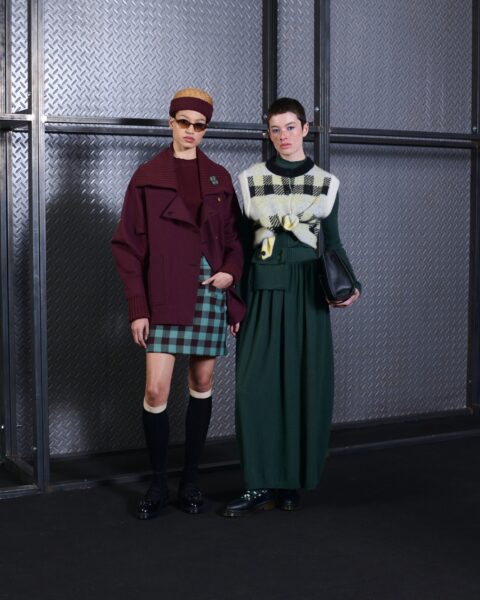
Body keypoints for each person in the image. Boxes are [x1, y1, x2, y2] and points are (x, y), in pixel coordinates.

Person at [223, 97, 360, 517]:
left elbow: (332, 241)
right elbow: (239, 246)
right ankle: (257, 482)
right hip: (262, 289)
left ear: (305, 128)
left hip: (307, 292)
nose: (283, 136)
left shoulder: (326, 183)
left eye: (290, 127)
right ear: (268, 133)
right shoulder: (249, 180)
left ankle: (290, 481)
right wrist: (237, 302)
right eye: (275, 129)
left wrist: (350, 283)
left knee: (303, 383)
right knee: (254, 388)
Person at [112, 88, 244, 519]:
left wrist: (231, 275)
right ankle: (158, 484)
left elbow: (234, 241)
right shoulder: (147, 176)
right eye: (183, 122)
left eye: (199, 125)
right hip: (165, 291)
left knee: (202, 383)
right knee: (155, 389)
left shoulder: (220, 178)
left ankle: (190, 480)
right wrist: (138, 307)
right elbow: (127, 246)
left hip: (209, 289)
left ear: (206, 129)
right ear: (170, 122)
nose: (190, 131)